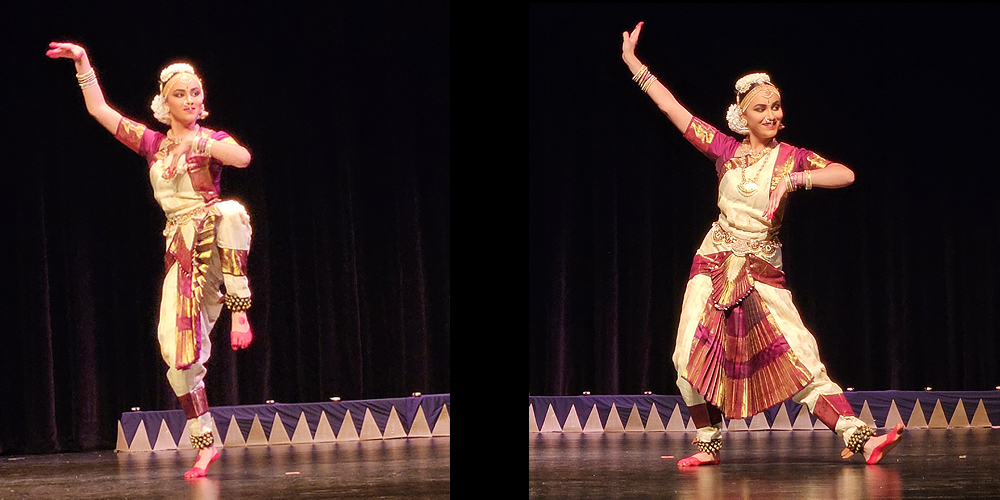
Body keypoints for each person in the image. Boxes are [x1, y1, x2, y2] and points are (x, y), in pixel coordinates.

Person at [620, 22, 904, 467]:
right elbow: (674, 110)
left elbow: (844, 173)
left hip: (760, 265)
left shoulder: (791, 156)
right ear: (742, 116)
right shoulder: (724, 150)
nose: (771, 114)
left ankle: (861, 437)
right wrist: (634, 64)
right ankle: (708, 443)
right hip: (713, 258)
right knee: (686, 351)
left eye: (775, 106)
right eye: (760, 109)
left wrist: (798, 179)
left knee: (797, 349)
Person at [47, 42, 255, 479]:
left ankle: (240, 314)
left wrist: (200, 146)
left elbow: (242, 157)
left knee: (232, 211)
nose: (191, 100)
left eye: (196, 92)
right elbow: (101, 111)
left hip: (213, 239)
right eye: (181, 94)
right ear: (166, 102)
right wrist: (83, 63)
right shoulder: (153, 145)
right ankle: (205, 444)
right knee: (177, 359)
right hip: (180, 251)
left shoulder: (210, 139)